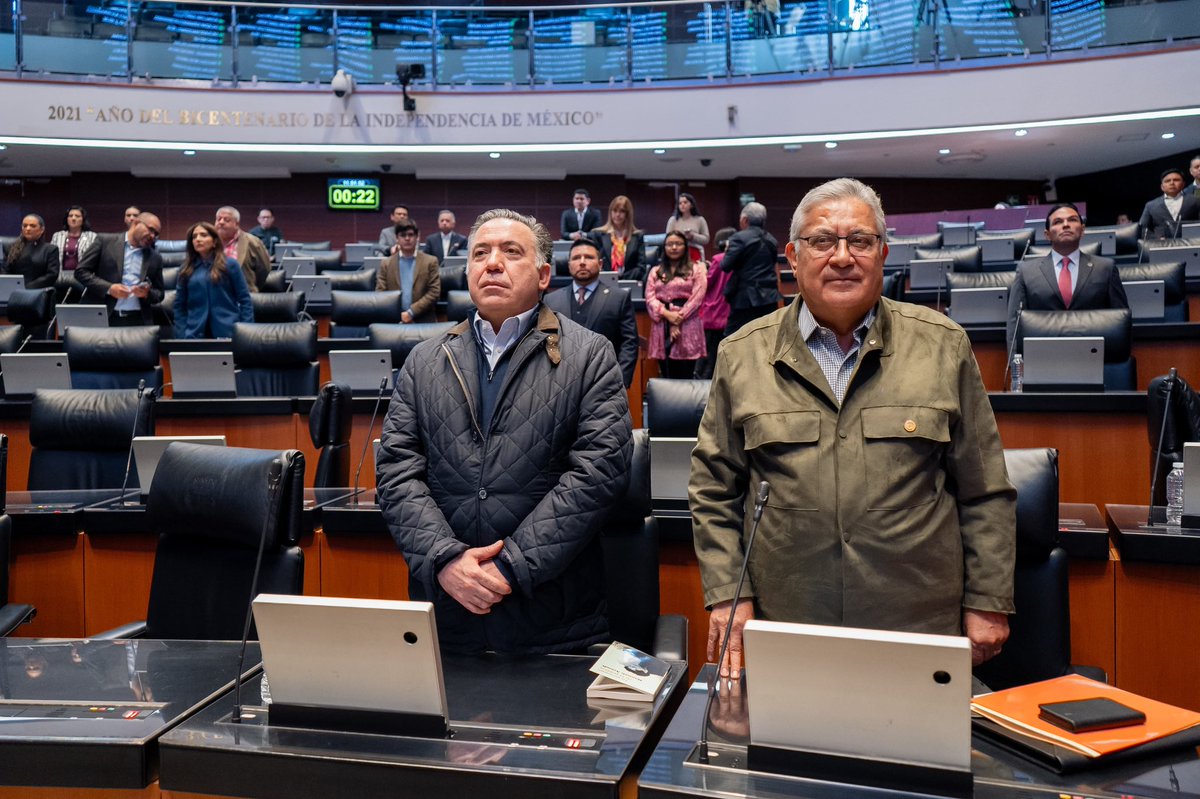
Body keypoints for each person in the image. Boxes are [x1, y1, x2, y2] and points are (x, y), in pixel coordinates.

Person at [690, 177, 1016, 679]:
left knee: (919, 756)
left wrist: (988, 599)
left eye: (859, 241)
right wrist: (730, 596)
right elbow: (713, 489)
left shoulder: (943, 345)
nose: (842, 257)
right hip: (787, 621)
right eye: (823, 242)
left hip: (916, 622)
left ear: (883, 253)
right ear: (793, 259)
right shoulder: (742, 354)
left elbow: (985, 488)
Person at [375, 208, 631, 656]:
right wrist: (445, 559)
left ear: (545, 274)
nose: (492, 263)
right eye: (480, 253)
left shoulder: (591, 355)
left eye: (511, 252)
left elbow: (598, 474)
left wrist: (511, 568)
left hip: (554, 622)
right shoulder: (423, 360)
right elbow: (397, 471)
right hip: (444, 618)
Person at [1006, 202, 1129, 351]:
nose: (1065, 225)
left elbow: (1120, 319)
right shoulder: (1026, 270)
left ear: (1082, 230)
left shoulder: (1106, 268)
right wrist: (1016, 366)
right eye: (1058, 222)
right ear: (1047, 234)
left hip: (1093, 355)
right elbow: (1015, 322)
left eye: (1072, 220)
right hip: (1043, 355)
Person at [543, 238, 639, 388]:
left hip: (605, 383)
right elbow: (547, 342)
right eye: (576, 258)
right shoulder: (551, 300)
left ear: (600, 264)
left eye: (588, 257)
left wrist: (620, 381)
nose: (582, 262)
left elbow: (629, 343)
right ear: (569, 265)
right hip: (561, 385)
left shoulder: (619, 298)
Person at [75, 211, 164, 326]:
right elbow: (80, 272)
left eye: (156, 234)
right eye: (151, 229)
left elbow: (160, 294)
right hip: (105, 316)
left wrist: (146, 293)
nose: (152, 236)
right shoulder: (105, 241)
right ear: (136, 223)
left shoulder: (155, 257)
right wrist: (109, 288)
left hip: (137, 320)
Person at [173, 221, 254, 339]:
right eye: (194, 237)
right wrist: (182, 334)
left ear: (215, 241)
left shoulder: (230, 265)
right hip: (194, 332)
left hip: (227, 331)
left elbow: (245, 300)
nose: (198, 239)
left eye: (203, 235)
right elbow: (179, 305)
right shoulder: (185, 269)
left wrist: (246, 331)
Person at [645, 230, 707, 379]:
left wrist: (678, 317)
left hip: (688, 325)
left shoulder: (696, 269)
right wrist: (668, 315)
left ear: (685, 247)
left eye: (678, 244)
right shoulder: (656, 271)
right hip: (662, 325)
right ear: (664, 247)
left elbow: (698, 297)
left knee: (686, 375)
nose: (674, 247)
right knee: (666, 375)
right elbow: (649, 297)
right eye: (670, 244)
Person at [721, 201, 781, 336]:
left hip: (745, 298)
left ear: (745, 220)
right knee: (767, 337)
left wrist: (727, 251)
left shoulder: (738, 238)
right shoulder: (772, 239)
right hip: (770, 297)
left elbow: (725, 266)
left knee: (732, 338)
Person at [375, 221, 441, 324]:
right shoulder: (386, 264)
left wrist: (411, 312)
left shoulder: (430, 261)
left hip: (424, 320)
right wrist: (399, 315)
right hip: (394, 321)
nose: (407, 238)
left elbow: (434, 292)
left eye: (410, 235)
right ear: (397, 238)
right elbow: (380, 293)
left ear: (417, 237)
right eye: (403, 235)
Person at [694, 226, 736, 380]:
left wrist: (702, 269)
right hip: (728, 313)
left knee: (708, 355)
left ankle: (701, 383)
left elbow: (707, 282)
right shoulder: (738, 259)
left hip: (714, 311)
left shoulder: (718, 259)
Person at [589, 195, 647, 281]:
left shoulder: (637, 236)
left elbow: (641, 267)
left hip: (629, 282)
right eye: (614, 211)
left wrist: (620, 279)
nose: (617, 215)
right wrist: (610, 279)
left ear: (628, 214)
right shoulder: (598, 235)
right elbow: (594, 263)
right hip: (604, 283)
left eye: (622, 211)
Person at [214, 206, 270, 291]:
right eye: (218, 219)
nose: (221, 222)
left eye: (227, 220)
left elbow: (264, 270)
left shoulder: (252, 242)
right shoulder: (210, 242)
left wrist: (250, 286)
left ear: (236, 224)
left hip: (244, 295)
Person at [1138, 168, 1200, 239]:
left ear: (1183, 184)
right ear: (1162, 187)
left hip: (1191, 243)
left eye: (1176, 180)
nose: (1172, 183)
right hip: (1161, 246)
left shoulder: (1195, 200)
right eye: (1167, 181)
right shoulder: (1151, 205)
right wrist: (1156, 239)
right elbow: (1142, 228)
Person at [2, 215, 59, 290]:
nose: (28, 229)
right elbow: (5, 271)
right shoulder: (10, 248)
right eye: (25, 226)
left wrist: (27, 288)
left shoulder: (50, 249)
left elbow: (52, 275)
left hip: (39, 291)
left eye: (32, 226)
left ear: (42, 229)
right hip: (13, 290)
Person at [50, 205, 98, 276]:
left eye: (77, 216)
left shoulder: (92, 236)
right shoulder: (57, 236)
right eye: (70, 216)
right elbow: (51, 258)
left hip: (84, 276)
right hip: (60, 275)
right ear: (67, 219)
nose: (73, 218)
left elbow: (95, 259)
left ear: (83, 219)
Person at [665, 192, 710, 262]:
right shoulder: (673, 220)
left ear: (691, 205)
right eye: (680, 203)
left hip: (694, 250)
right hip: (677, 252)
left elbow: (706, 239)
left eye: (685, 202)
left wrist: (693, 236)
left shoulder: (700, 219)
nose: (682, 205)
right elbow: (667, 239)